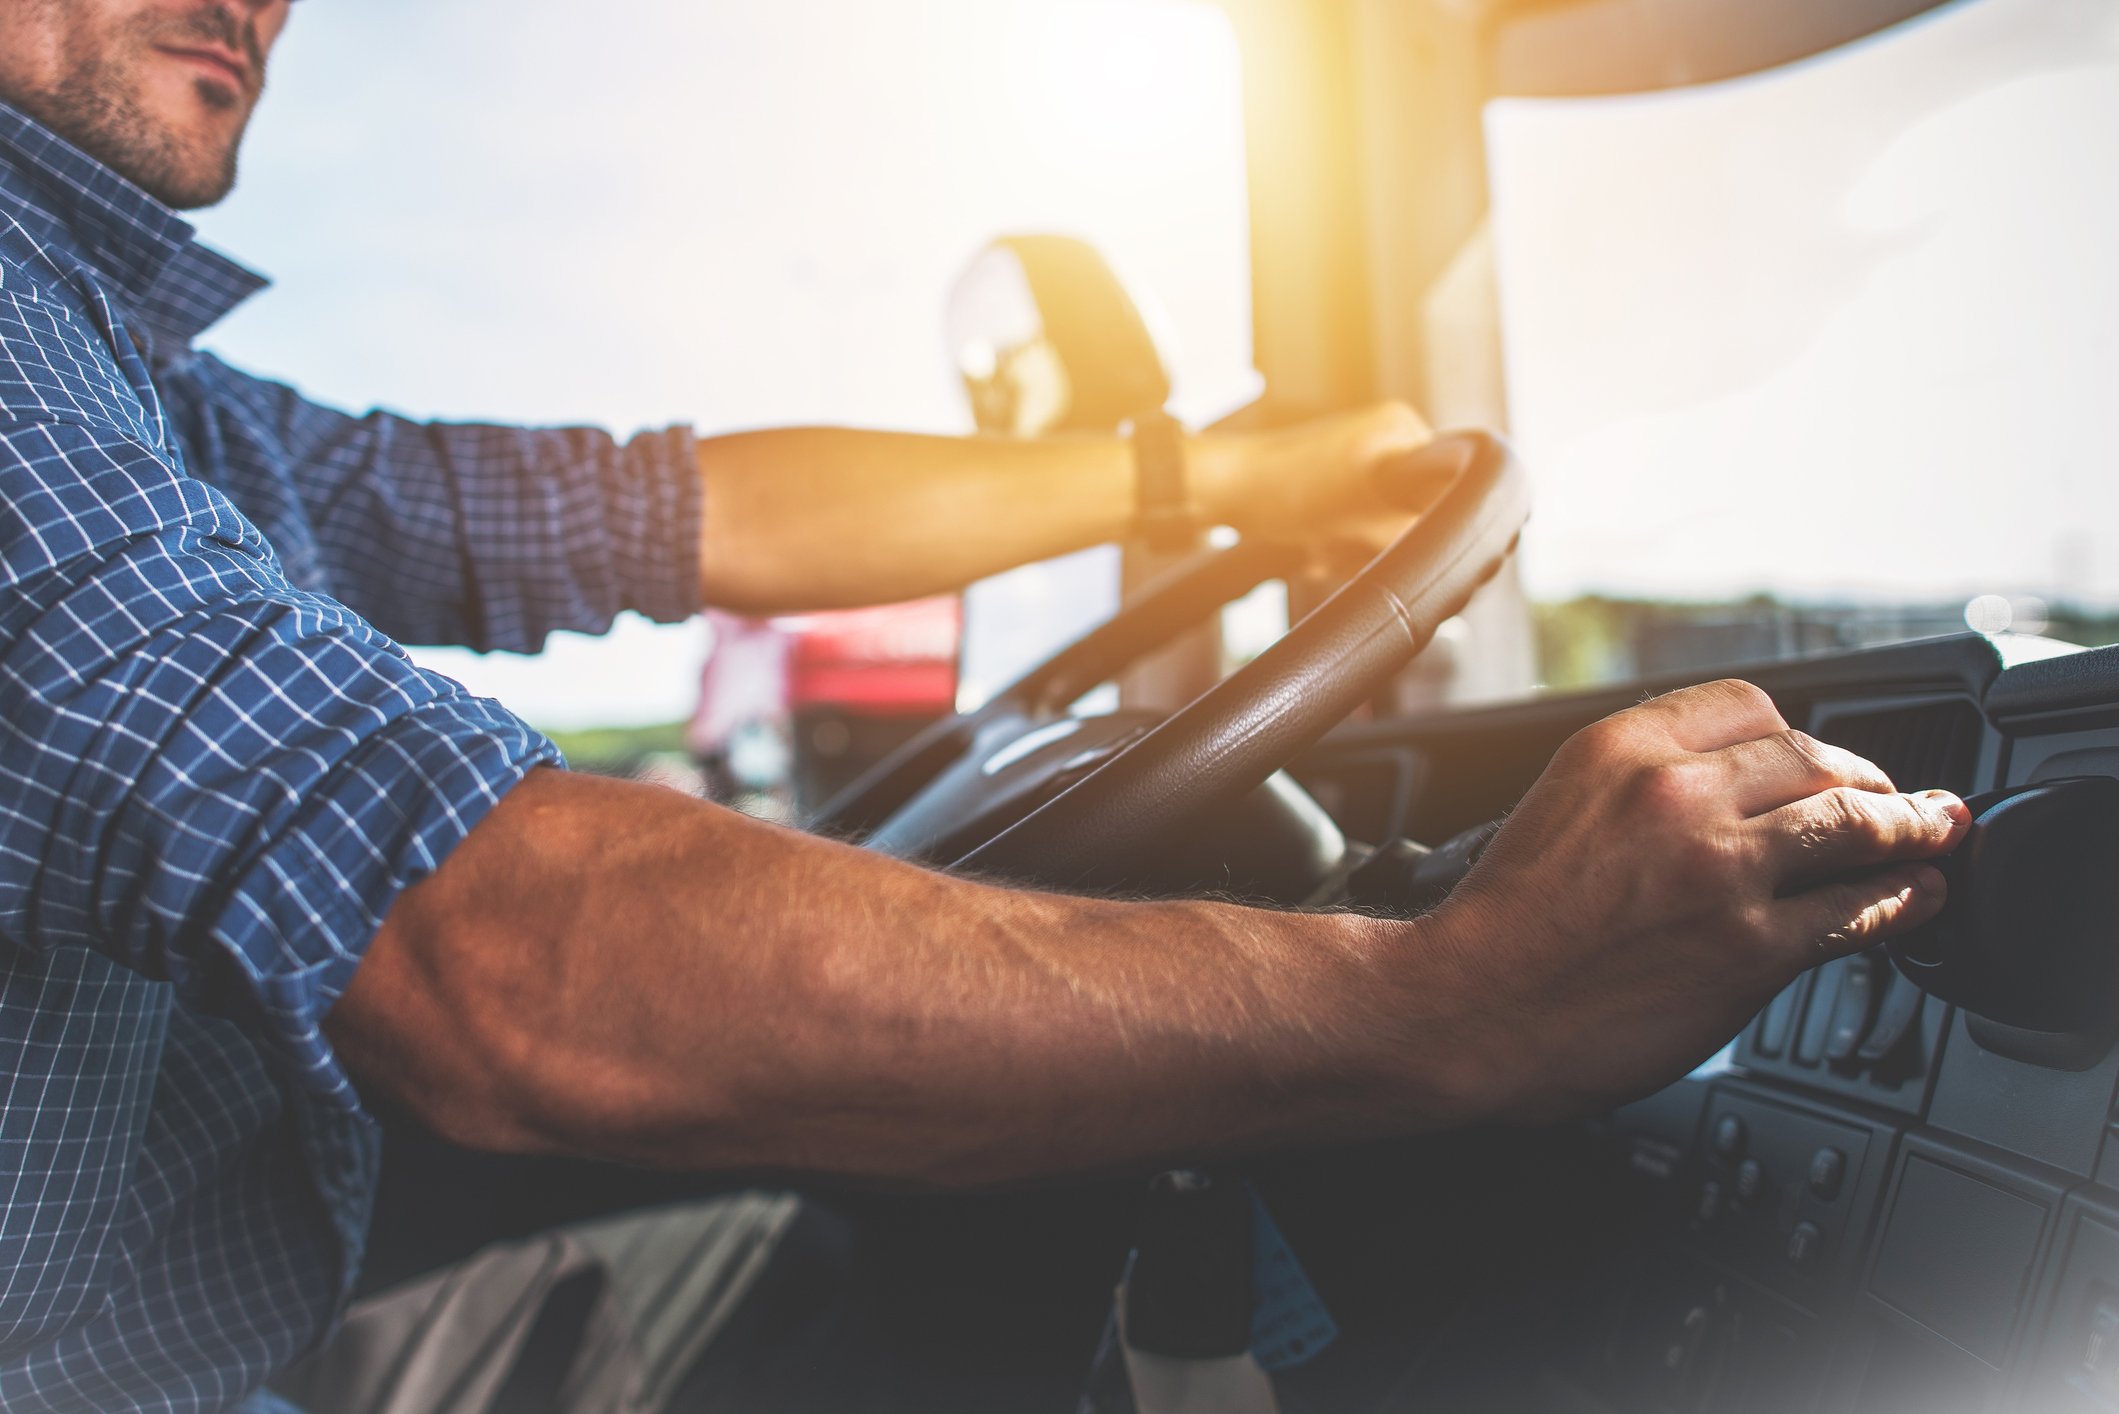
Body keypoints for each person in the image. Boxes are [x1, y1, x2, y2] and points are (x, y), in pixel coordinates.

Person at [0, 0, 1970, 1409]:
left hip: (219, 1322)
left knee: (877, 1238)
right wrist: (1453, 994)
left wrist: (1212, 483)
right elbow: (484, 940)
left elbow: (616, 506)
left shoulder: (135, 377)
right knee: (938, 1223)